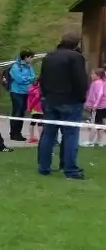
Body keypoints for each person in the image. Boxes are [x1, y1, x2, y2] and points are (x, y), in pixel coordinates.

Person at [38, 33, 88, 178]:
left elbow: (42, 78)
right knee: (71, 134)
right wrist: (81, 98)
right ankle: (70, 169)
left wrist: (45, 95)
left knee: (48, 134)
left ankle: (44, 167)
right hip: (70, 100)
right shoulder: (76, 57)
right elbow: (80, 80)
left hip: (50, 99)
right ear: (77, 44)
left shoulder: (49, 56)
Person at [6, 49, 37, 141]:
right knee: (17, 112)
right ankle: (13, 133)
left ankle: (18, 132)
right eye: (31, 57)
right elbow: (19, 79)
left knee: (22, 113)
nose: (32, 59)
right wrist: (28, 79)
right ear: (26, 57)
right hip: (17, 92)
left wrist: (28, 79)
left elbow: (33, 77)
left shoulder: (29, 66)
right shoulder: (15, 67)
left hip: (26, 92)